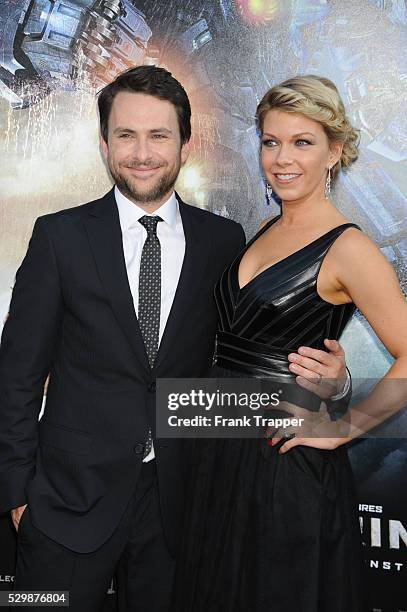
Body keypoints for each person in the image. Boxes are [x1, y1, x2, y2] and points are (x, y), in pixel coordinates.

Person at [0, 67, 349, 611]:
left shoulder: (225, 241)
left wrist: (336, 381)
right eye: (126, 135)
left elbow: (249, 358)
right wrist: (18, 494)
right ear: (103, 143)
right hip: (63, 508)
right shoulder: (58, 237)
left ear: (185, 144)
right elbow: (16, 376)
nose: (142, 153)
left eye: (159, 135)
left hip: (183, 513)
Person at [172, 75, 407, 612]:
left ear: (335, 152)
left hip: (283, 465)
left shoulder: (350, 247)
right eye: (270, 141)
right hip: (222, 450)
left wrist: (343, 429)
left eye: (303, 142)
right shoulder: (262, 227)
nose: (282, 158)